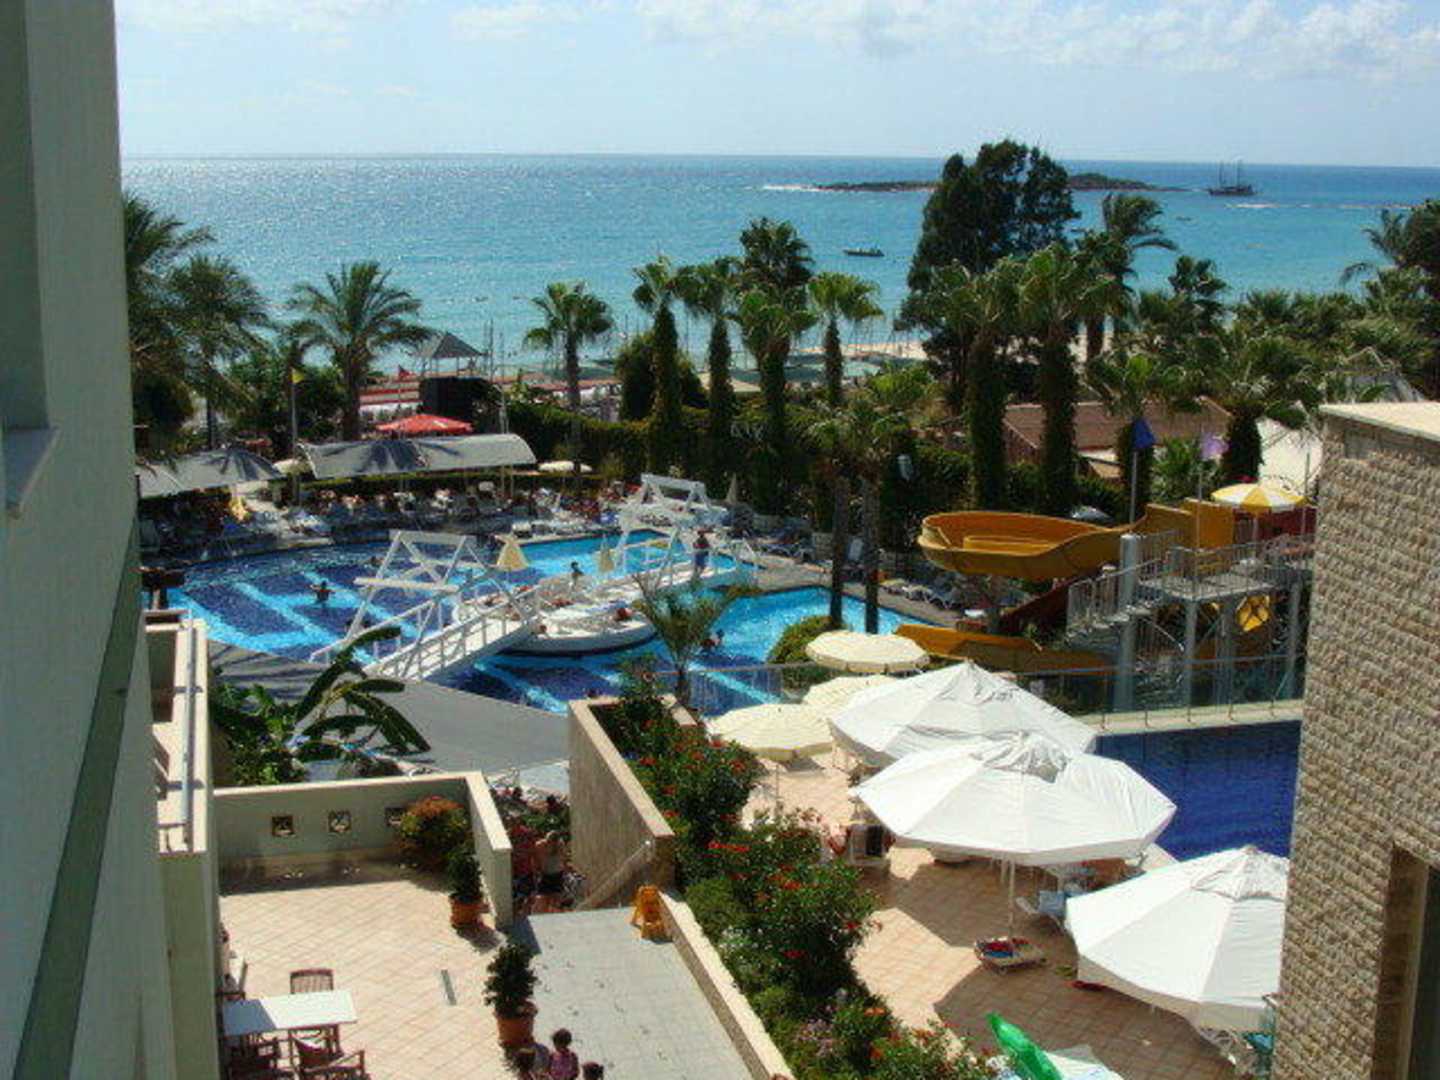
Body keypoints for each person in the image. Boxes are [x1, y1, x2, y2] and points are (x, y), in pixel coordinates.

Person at [533, 830, 568, 914]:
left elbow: (564, 858)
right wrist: (536, 870)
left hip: (557, 873)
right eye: (549, 841)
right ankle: (544, 914)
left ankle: (553, 914)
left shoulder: (560, 845)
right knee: (544, 898)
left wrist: (565, 869)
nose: (551, 843)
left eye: (554, 842)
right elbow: (535, 858)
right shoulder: (540, 845)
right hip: (545, 874)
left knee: (556, 898)